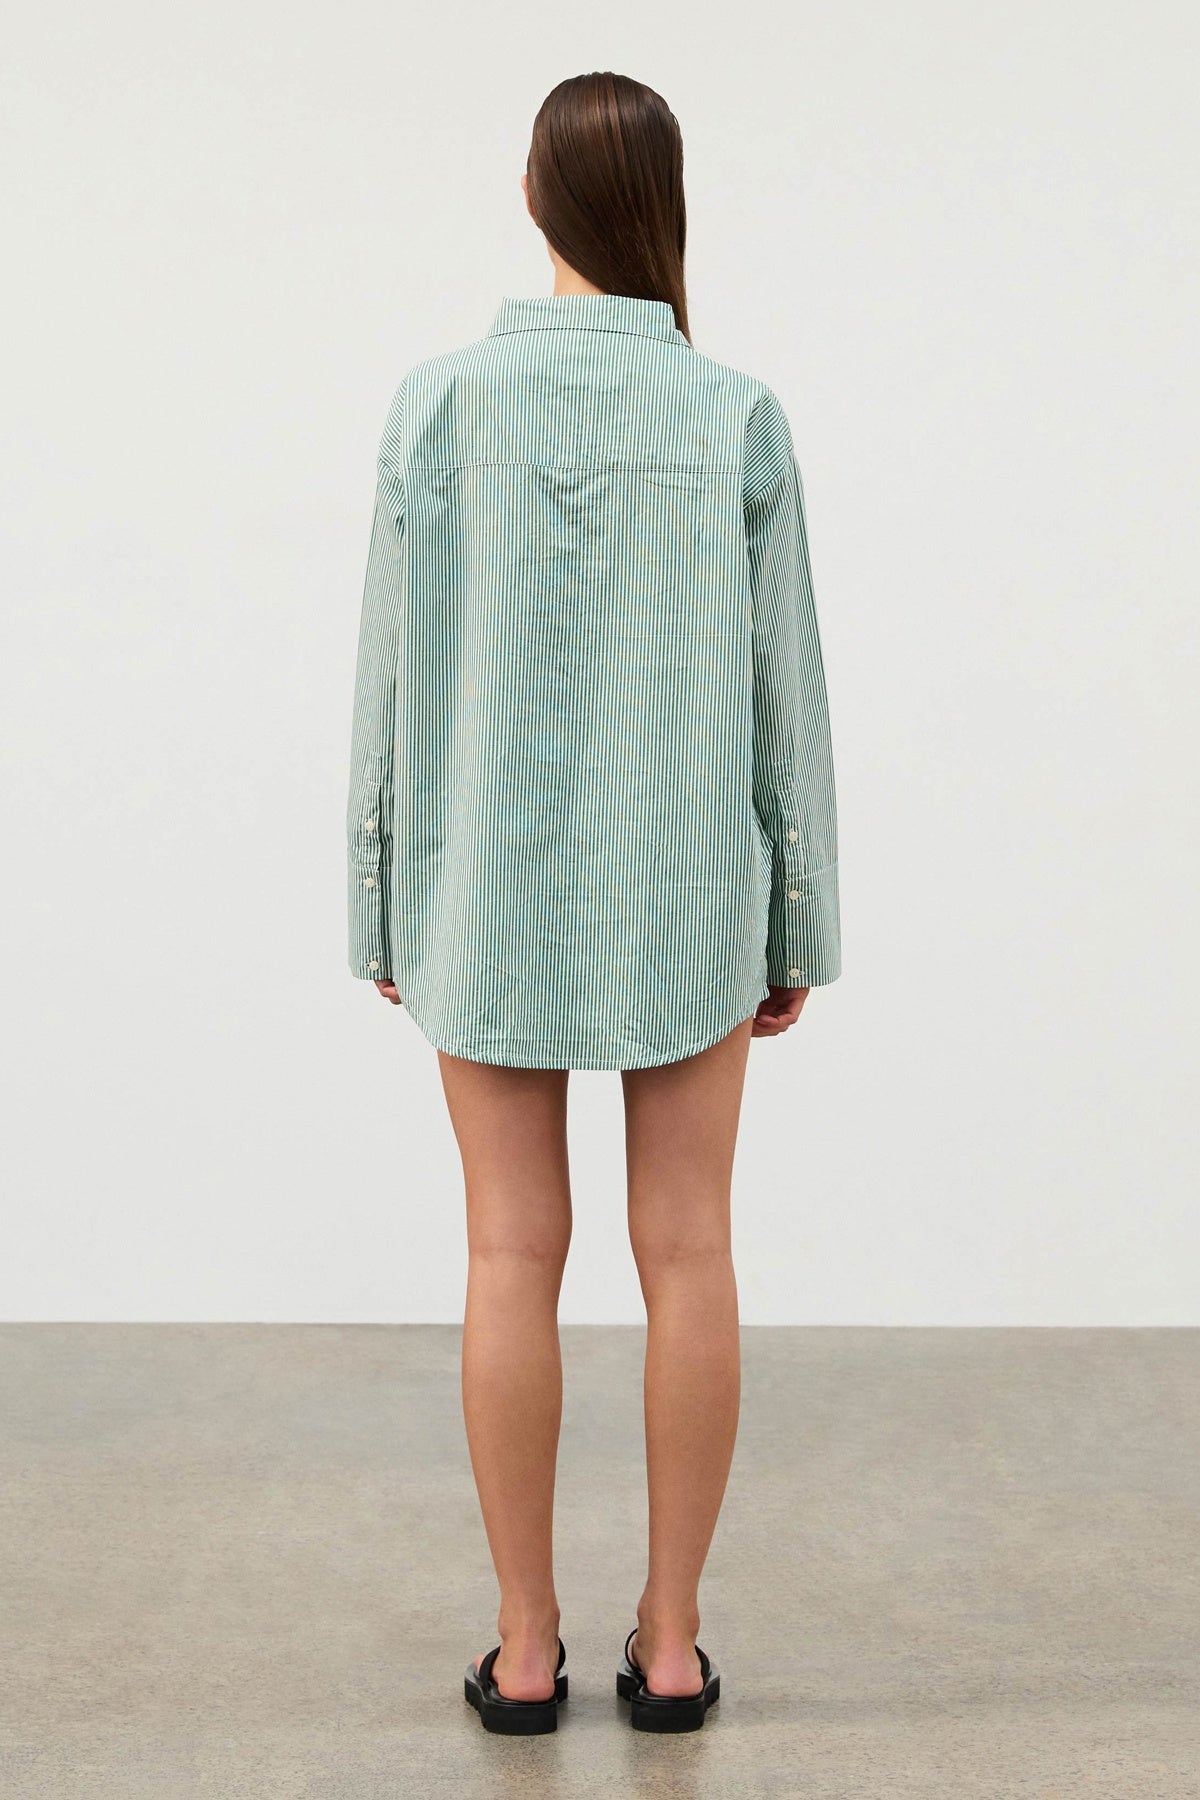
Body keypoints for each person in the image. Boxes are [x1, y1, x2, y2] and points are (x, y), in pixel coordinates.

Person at [345, 70, 841, 1735]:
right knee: (690, 1248)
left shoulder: (437, 406)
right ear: (663, 204)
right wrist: (800, 917)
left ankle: (525, 1650)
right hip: (688, 889)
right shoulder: (733, 415)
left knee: (508, 1248)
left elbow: (391, 674)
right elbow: (785, 697)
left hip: (483, 891)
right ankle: (675, 1648)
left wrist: (380, 894)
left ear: (533, 195)